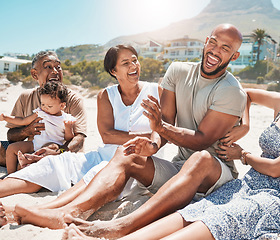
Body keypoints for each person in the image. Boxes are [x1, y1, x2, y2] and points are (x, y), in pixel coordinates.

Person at [64, 49, 280, 240]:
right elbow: (246, 96)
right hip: (249, 184)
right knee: (198, 209)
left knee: (221, 218)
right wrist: (245, 125)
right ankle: (119, 229)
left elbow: (278, 168)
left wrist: (243, 154)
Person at [1, 23, 247, 232]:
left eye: (225, 48)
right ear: (206, 41)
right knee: (121, 154)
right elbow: (165, 125)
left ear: (234, 56)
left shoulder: (230, 90)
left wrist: (244, 124)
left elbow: (200, 139)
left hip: (215, 172)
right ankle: (59, 213)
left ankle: (120, 227)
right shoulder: (177, 71)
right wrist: (152, 143)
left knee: (200, 158)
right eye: (213, 42)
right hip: (178, 168)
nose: (215, 51)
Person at [0, 44, 161, 218]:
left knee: (91, 170)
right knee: (56, 163)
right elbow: (107, 135)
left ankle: (38, 211)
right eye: (126, 63)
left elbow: (161, 133)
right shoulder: (106, 95)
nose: (133, 66)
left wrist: (59, 150)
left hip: (129, 161)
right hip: (95, 154)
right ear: (113, 71)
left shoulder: (156, 91)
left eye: (135, 61)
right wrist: (28, 130)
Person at [0, 51, 87, 167]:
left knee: (36, 161)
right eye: (48, 67)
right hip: (32, 148)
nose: (55, 71)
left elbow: (79, 139)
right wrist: (27, 131)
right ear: (34, 74)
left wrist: (57, 152)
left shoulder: (73, 99)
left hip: (61, 153)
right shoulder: (26, 97)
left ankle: (26, 166)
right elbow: (11, 136)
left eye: (58, 67)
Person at [1, 81, 76, 173]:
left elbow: (68, 139)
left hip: (52, 146)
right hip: (35, 143)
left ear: (62, 105)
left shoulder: (66, 119)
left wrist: (68, 128)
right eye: (42, 104)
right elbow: (23, 120)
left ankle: (29, 160)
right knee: (11, 148)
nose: (45, 108)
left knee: (50, 148)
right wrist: (6, 118)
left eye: (49, 106)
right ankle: (10, 174)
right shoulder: (40, 112)